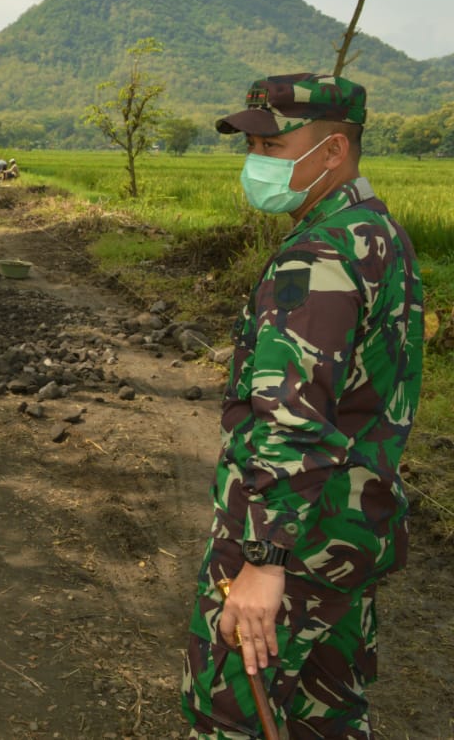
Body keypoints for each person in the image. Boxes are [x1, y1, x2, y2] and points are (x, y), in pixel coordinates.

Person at [181, 74, 424, 739]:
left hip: (295, 545)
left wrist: (264, 561)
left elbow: (292, 420)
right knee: (326, 713)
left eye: (273, 144)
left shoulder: (317, 258)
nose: (256, 161)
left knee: (229, 712)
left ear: (333, 150)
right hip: (349, 531)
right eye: (252, 145)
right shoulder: (377, 236)